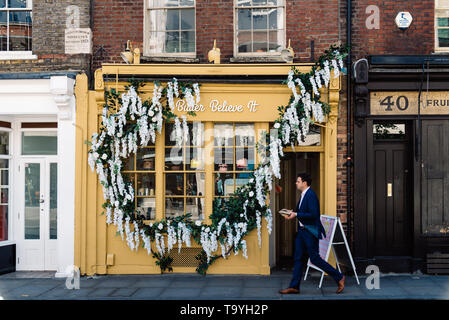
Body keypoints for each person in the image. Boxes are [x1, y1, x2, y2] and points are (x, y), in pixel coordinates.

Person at [279, 173, 345, 294]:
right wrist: (292, 214)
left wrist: (297, 214)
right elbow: (302, 212)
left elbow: (314, 215)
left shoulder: (311, 195)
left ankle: (339, 276)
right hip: (301, 232)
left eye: (298, 181)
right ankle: (294, 286)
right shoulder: (303, 195)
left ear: (304, 183)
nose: (296, 183)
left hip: (310, 232)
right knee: (298, 258)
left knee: (314, 258)